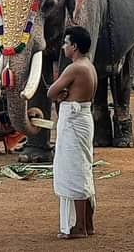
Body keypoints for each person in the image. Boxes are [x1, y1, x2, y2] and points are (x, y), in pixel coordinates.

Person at [47, 27, 97, 240]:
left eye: (66, 43)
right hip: (82, 118)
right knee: (83, 169)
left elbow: (51, 92)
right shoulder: (89, 66)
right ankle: (87, 223)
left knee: (73, 171)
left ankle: (78, 227)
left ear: (75, 46)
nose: (63, 47)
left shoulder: (75, 68)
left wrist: (61, 95)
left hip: (75, 122)